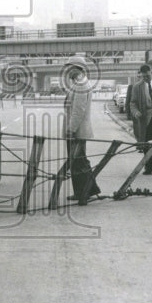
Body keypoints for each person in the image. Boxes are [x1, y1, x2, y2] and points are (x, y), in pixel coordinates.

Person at [63, 59, 101, 204]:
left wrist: (70, 130)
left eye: (69, 68)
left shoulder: (81, 85)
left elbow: (78, 111)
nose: (67, 72)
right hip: (78, 130)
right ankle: (89, 189)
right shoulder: (79, 83)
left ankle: (82, 192)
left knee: (78, 162)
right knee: (80, 161)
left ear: (76, 68)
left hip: (77, 131)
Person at [127, 64, 152, 174]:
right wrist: (135, 112)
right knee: (146, 143)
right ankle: (149, 167)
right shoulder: (137, 87)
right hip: (146, 118)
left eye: (147, 76)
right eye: (143, 77)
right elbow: (133, 103)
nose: (145, 78)